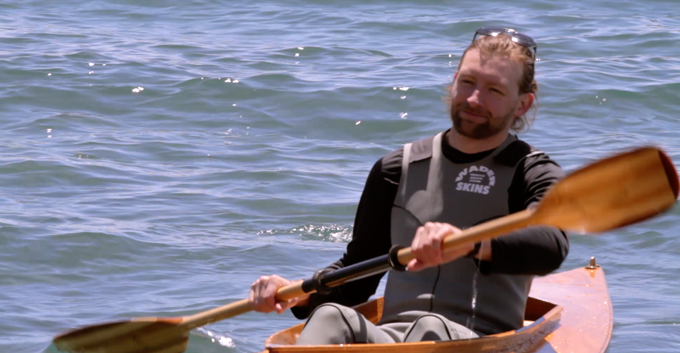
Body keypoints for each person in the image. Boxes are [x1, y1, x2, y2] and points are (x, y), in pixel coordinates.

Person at [248, 27, 569, 345]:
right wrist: (297, 295)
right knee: (330, 316)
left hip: (483, 341)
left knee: (430, 326)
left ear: (522, 105)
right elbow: (357, 273)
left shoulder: (531, 171)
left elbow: (551, 244)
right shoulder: (395, 169)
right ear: (454, 79)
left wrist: (471, 243)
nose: (473, 99)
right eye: (467, 82)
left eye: (494, 91)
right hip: (392, 339)